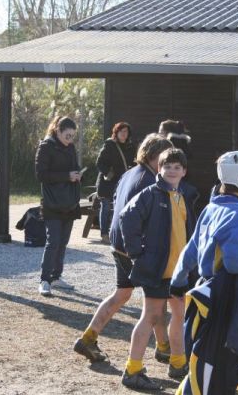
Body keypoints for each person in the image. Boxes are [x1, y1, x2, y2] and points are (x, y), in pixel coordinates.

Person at [171, 150, 238, 395]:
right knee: (225, 359)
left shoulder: (210, 209)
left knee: (219, 361)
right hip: (226, 299)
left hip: (206, 291)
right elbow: (233, 261)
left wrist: (177, 281)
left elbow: (191, 249)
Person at [73, 133, 174, 363]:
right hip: (135, 248)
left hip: (119, 245)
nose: (168, 162)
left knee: (123, 294)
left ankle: (89, 338)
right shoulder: (150, 182)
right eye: (165, 156)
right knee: (156, 301)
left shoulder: (130, 173)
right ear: (152, 155)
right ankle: (161, 349)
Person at [119, 148, 197, 390]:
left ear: (184, 171)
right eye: (167, 166)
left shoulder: (184, 196)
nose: (172, 171)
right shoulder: (150, 195)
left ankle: (178, 363)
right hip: (156, 270)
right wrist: (136, 253)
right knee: (151, 317)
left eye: (177, 167)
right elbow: (126, 218)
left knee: (179, 314)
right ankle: (132, 370)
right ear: (159, 169)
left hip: (179, 272)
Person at [35, 116, 82, 296]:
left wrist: (77, 175)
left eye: (72, 136)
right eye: (67, 135)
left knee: (63, 242)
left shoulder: (70, 147)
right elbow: (41, 175)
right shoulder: (46, 146)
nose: (70, 139)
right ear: (58, 131)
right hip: (52, 201)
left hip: (69, 201)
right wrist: (66, 176)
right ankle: (44, 279)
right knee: (53, 241)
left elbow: (74, 167)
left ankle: (56, 276)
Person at [95, 122, 136, 244]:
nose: (124, 134)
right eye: (121, 131)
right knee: (106, 207)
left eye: (126, 132)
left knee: (121, 207)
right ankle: (104, 234)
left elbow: (132, 163)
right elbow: (99, 163)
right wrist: (108, 172)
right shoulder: (109, 145)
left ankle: (116, 233)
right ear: (116, 133)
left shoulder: (131, 147)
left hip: (122, 182)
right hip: (108, 182)